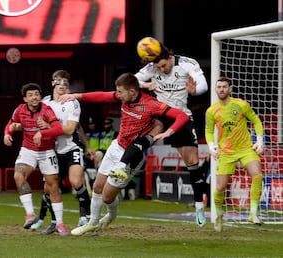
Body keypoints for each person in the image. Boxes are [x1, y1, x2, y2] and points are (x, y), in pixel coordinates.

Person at [58, 72, 190, 236]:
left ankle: (112, 214)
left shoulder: (152, 104)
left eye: (120, 92)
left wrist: (169, 132)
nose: (118, 95)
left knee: (107, 197)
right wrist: (76, 96)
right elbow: (103, 96)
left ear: (132, 92)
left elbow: (182, 116)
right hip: (116, 147)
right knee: (97, 186)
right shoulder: (124, 97)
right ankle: (92, 222)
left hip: (132, 156)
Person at [134, 39, 209, 226]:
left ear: (169, 57)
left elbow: (203, 85)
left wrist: (195, 90)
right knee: (149, 130)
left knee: (192, 162)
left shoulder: (187, 64)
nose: (162, 70)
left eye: (164, 65)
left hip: (181, 116)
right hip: (161, 113)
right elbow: (133, 80)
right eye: (158, 67)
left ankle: (199, 205)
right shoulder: (152, 68)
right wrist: (146, 86)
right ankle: (126, 165)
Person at [30, 70, 91, 234]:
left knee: (76, 181)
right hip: (52, 150)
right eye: (59, 82)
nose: (62, 85)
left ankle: (87, 217)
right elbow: (35, 122)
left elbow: (71, 129)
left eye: (66, 83)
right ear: (52, 84)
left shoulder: (72, 102)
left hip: (71, 148)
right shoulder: (44, 103)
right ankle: (52, 221)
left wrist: (49, 127)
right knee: (49, 188)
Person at [3, 83, 68, 236]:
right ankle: (30, 214)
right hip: (28, 150)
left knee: (53, 186)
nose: (34, 97)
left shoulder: (46, 110)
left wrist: (43, 133)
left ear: (40, 96)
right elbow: (11, 124)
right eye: (31, 95)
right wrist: (7, 133)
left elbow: (59, 129)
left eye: (37, 94)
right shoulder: (20, 109)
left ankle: (60, 223)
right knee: (18, 176)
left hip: (47, 152)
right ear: (25, 98)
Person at [205, 76, 264, 232]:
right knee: (220, 187)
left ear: (229, 89)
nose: (222, 89)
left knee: (257, 175)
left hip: (245, 149)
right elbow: (209, 130)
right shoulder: (211, 111)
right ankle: (218, 216)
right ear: (216, 90)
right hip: (226, 152)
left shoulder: (241, 104)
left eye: (225, 86)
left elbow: (256, 120)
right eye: (219, 87)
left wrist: (259, 140)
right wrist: (211, 145)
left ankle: (252, 213)